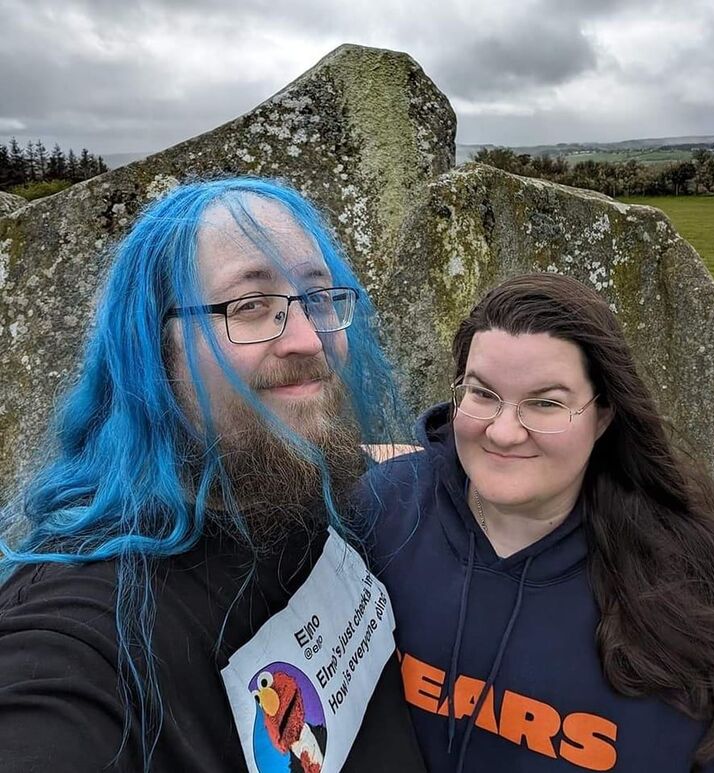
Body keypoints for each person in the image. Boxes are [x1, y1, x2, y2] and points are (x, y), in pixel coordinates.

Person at [0, 178, 425, 772]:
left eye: (319, 296)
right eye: (250, 307)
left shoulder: (299, 476)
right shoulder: (85, 629)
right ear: (155, 350)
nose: (308, 339)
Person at [358, 273, 714, 772]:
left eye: (546, 403)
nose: (504, 432)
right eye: (482, 394)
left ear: (603, 415)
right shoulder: (378, 514)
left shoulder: (700, 592)